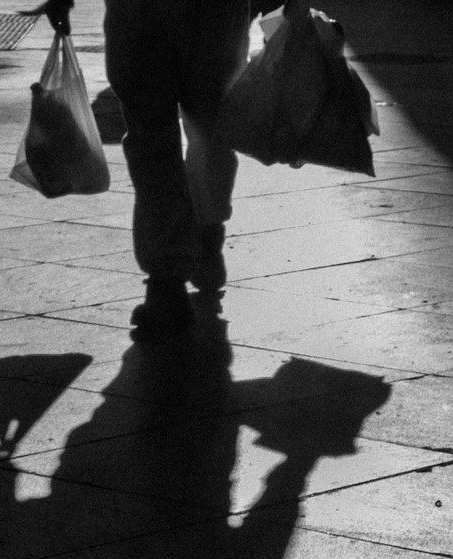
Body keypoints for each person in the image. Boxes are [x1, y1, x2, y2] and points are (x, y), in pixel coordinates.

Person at [42, 0, 278, 335]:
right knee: (213, 127)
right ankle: (207, 236)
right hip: (216, 13)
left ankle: (168, 279)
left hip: (142, 14)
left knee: (152, 137)